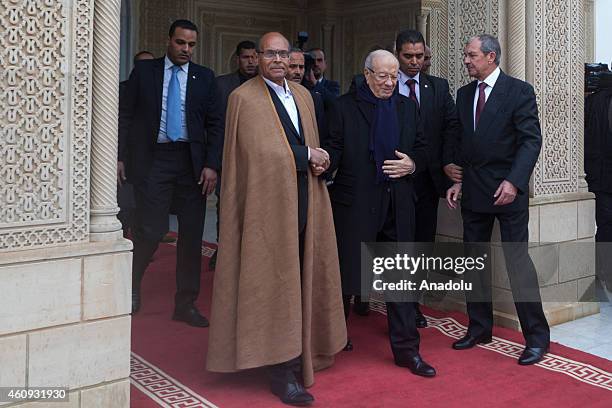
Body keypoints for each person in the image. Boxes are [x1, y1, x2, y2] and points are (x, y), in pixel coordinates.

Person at [206, 32, 346, 406]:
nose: (278, 60)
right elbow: (259, 153)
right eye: (271, 53)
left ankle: (303, 353)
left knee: (302, 274)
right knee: (274, 283)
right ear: (257, 57)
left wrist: (321, 157)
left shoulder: (303, 95)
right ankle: (279, 372)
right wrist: (306, 156)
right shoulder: (244, 98)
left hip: (305, 201)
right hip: (266, 209)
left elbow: (310, 142)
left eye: (284, 54)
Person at [325, 49, 435, 377]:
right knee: (346, 278)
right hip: (355, 205)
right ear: (367, 74)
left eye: (394, 76)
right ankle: (331, 340)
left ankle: (407, 351)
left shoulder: (406, 107)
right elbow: (333, 148)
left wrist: (413, 164)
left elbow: (423, 148)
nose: (390, 83)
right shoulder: (343, 107)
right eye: (383, 76)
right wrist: (320, 159)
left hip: (397, 206)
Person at [446, 34, 550, 365]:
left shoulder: (519, 91)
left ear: (491, 57)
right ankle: (479, 328)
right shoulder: (463, 95)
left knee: (518, 264)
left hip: (509, 195)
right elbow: (463, 140)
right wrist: (456, 178)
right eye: (466, 55)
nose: (466, 60)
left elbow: (531, 141)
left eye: (471, 55)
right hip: (473, 192)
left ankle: (536, 338)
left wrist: (514, 182)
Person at [118, 19, 223, 326]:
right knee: (150, 230)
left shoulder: (204, 77)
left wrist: (212, 164)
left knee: (191, 236)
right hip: (154, 160)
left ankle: (186, 303)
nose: (186, 49)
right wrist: (120, 156)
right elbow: (125, 114)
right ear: (169, 41)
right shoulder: (145, 73)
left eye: (191, 45)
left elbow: (216, 125)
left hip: (192, 164)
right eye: (181, 43)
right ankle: (132, 287)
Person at [395, 29, 461, 328]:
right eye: (408, 56)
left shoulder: (437, 87)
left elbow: (451, 126)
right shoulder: (383, 84)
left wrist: (447, 161)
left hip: (427, 180)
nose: (414, 62)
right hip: (392, 179)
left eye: (419, 56)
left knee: (422, 243)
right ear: (397, 54)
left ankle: (413, 305)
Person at [209, 40, 259, 270]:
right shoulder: (221, 85)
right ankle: (224, 251)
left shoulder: (268, 85)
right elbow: (214, 124)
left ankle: (251, 255)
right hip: (228, 157)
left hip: (259, 159)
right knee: (227, 206)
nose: (251, 61)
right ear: (237, 59)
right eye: (246, 57)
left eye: (254, 57)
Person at [118, 51, 154, 239]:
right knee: (125, 205)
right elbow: (120, 123)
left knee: (147, 206)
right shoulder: (122, 90)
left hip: (152, 159)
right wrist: (119, 157)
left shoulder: (161, 89)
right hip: (128, 157)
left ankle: (142, 244)